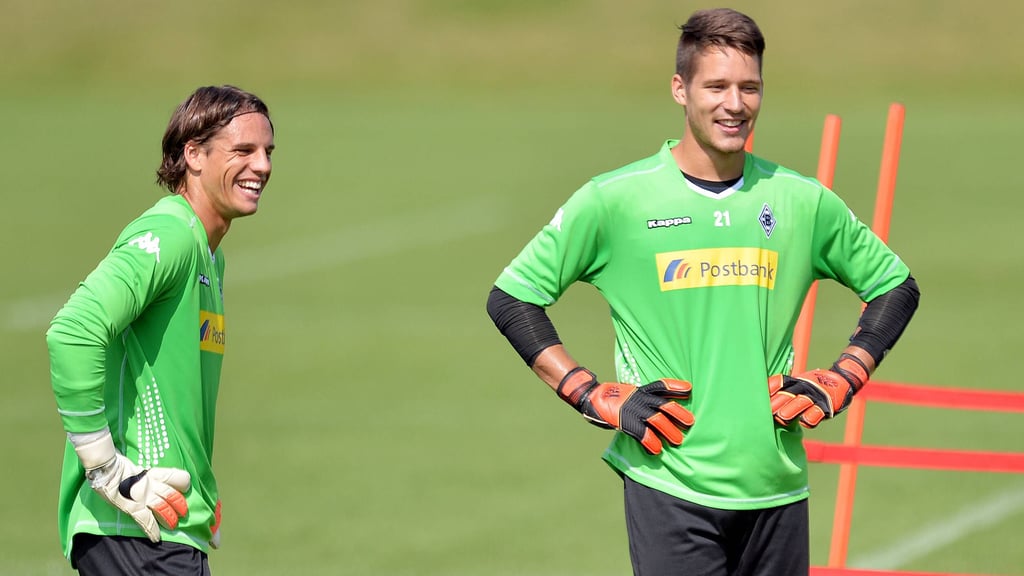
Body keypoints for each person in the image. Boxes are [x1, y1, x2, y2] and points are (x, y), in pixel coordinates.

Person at [486, 8, 919, 576]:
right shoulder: (616, 200)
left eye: (749, 87)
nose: (734, 104)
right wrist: (588, 393)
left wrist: (845, 374)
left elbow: (894, 285)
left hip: (778, 487)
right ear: (680, 89)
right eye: (716, 86)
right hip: (669, 483)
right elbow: (513, 298)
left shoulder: (800, 201)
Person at [46, 85, 275, 575]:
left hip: (165, 521)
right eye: (243, 151)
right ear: (193, 154)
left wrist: (202, 492)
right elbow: (73, 330)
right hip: (135, 525)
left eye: (266, 152)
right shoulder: (171, 237)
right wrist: (107, 469)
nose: (262, 166)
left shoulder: (209, 254)